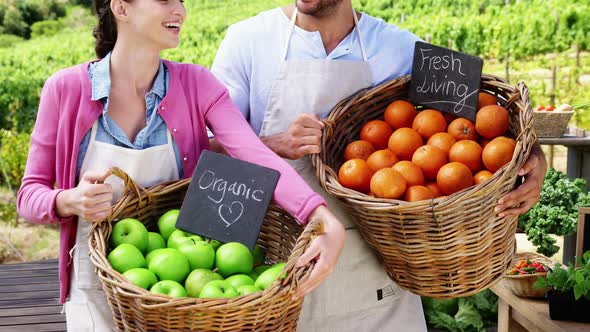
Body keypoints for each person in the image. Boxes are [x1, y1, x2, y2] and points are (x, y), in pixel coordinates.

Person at [210, 0, 548, 331]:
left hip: (375, 279)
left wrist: (535, 160)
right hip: (276, 270)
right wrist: (272, 145)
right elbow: (202, 150)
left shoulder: (400, 47)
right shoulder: (247, 41)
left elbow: (493, 119)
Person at [16, 0, 345, 330]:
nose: (180, 11)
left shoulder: (197, 85)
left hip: (179, 302)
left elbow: (253, 155)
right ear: (121, 7)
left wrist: (320, 217)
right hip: (94, 287)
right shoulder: (66, 89)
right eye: (165, 0)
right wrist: (69, 200)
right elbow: (29, 196)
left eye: (182, 1)